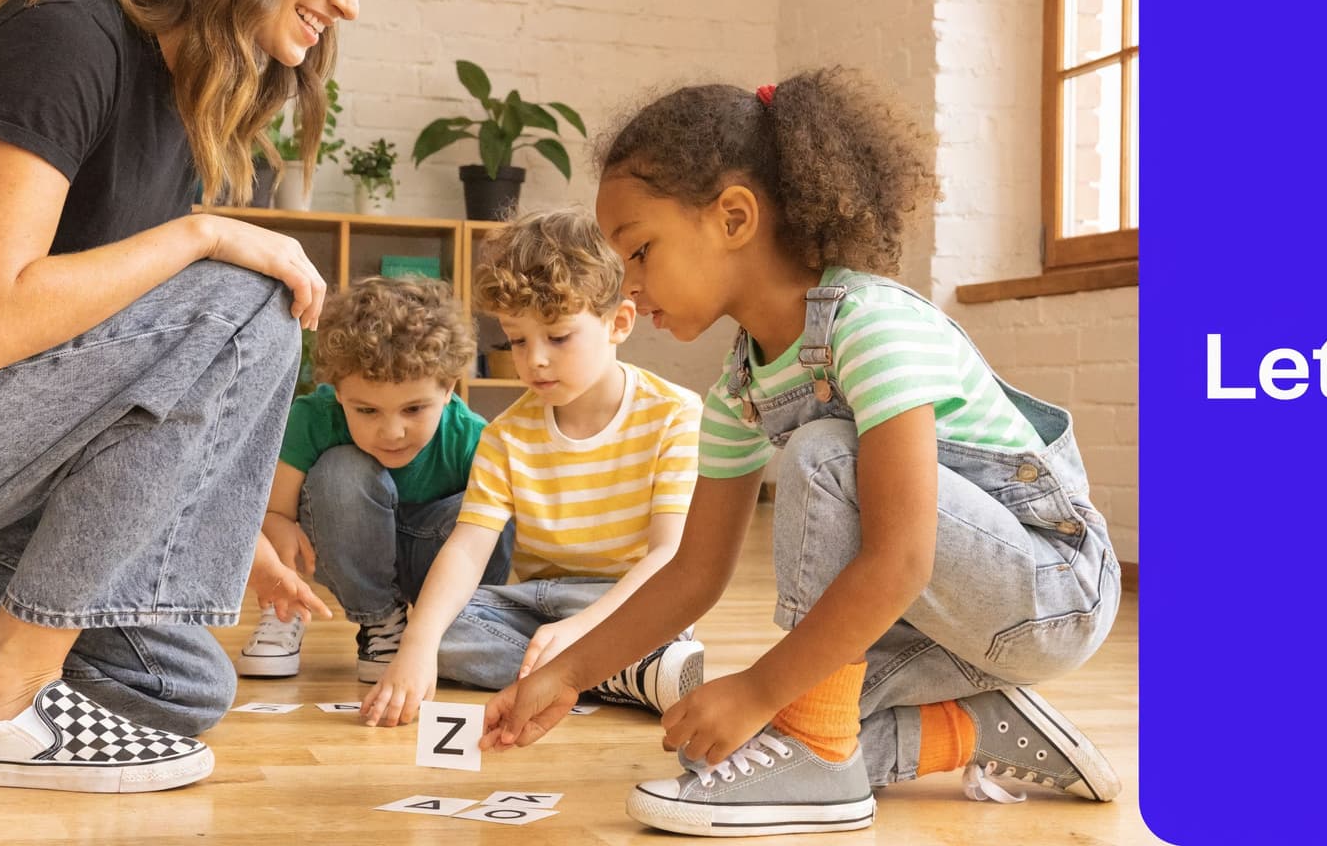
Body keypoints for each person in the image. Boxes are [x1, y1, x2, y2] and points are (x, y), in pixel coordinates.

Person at [479, 68, 1124, 835]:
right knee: (721, 750)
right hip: (939, 624)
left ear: (734, 217)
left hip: (1048, 595)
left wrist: (760, 688)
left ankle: (818, 752)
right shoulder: (738, 387)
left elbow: (901, 559)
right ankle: (975, 726)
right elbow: (693, 573)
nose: (632, 286)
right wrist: (565, 674)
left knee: (822, 459)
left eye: (641, 252)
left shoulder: (872, 327)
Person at [0, 0, 399, 794]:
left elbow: (112, 379)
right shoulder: (71, 37)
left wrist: (218, 516)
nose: (351, 1)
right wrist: (203, 232)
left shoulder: (196, 99)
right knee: (245, 298)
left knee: (173, 679)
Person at [360, 211, 706, 728]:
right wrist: (417, 644)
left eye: (559, 338)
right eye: (518, 341)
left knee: (651, 621)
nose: (534, 361)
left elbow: (669, 556)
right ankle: (619, 675)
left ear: (619, 324)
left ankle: (595, 662)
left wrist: (584, 629)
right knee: (440, 630)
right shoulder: (505, 435)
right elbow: (467, 547)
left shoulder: (674, 414)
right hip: (536, 604)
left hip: (634, 601)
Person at [234, 276, 507, 684]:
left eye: (414, 409)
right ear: (338, 392)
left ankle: (449, 629)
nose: (392, 432)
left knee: (496, 510)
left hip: (436, 567)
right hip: (345, 550)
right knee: (342, 470)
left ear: (449, 387)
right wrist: (279, 541)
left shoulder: (472, 437)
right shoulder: (313, 417)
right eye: (367, 411)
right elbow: (274, 510)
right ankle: (351, 618)